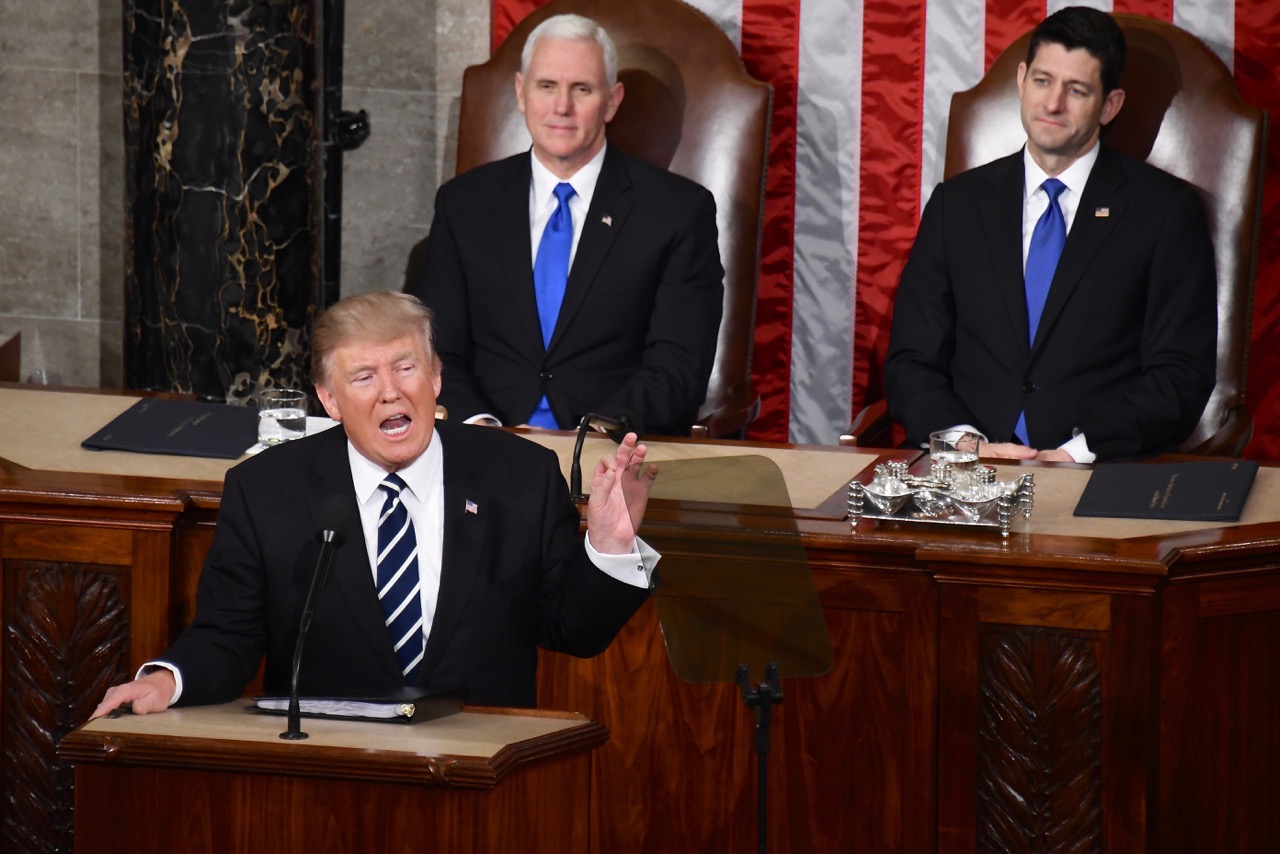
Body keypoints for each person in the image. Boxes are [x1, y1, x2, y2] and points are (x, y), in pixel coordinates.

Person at [92, 291, 658, 718]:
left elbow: (571, 632)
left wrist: (609, 546)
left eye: (406, 367)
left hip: (483, 775)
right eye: (364, 376)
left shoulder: (519, 474)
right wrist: (168, 681)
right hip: (327, 774)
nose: (391, 391)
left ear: (436, 378)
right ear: (330, 399)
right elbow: (229, 636)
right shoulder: (267, 489)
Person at [884, 6, 1216, 463]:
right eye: (1042, 81)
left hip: (1099, 472)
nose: (1052, 104)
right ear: (1022, 81)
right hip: (966, 470)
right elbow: (911, 359)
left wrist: (1079, 452)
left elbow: (1180, 374)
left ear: (1110, 105)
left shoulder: (1164, 212)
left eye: (1076, 90)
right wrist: (964, 443)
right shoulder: (956, 205)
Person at [404, 13, 724, 436]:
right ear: (521, 93)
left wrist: (592, 436)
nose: (561, 107)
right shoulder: (464, 203)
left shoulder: (677, 212)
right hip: (486, 449)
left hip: (611, 455)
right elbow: (437, 350)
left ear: (612, 101)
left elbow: (678, 367)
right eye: (547, 86)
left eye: (582, 89)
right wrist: (484, 428)